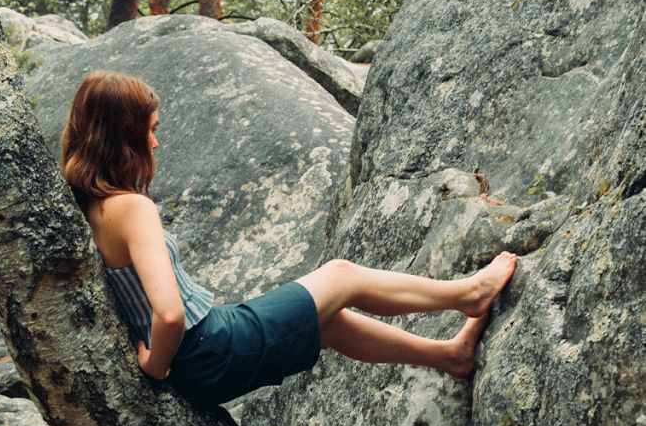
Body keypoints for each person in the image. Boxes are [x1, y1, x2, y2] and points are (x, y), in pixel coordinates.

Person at [61, 71, 517, 406]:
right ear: (122, 137)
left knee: (329, 321)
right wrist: (154, 369)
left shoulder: (86, 206)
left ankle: (450, 356)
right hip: (207, 348)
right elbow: (170, 313)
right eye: (150, 130)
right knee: (341, 276)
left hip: (204, 353)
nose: (155, 143)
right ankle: (469, 294)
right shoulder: (131, 208)